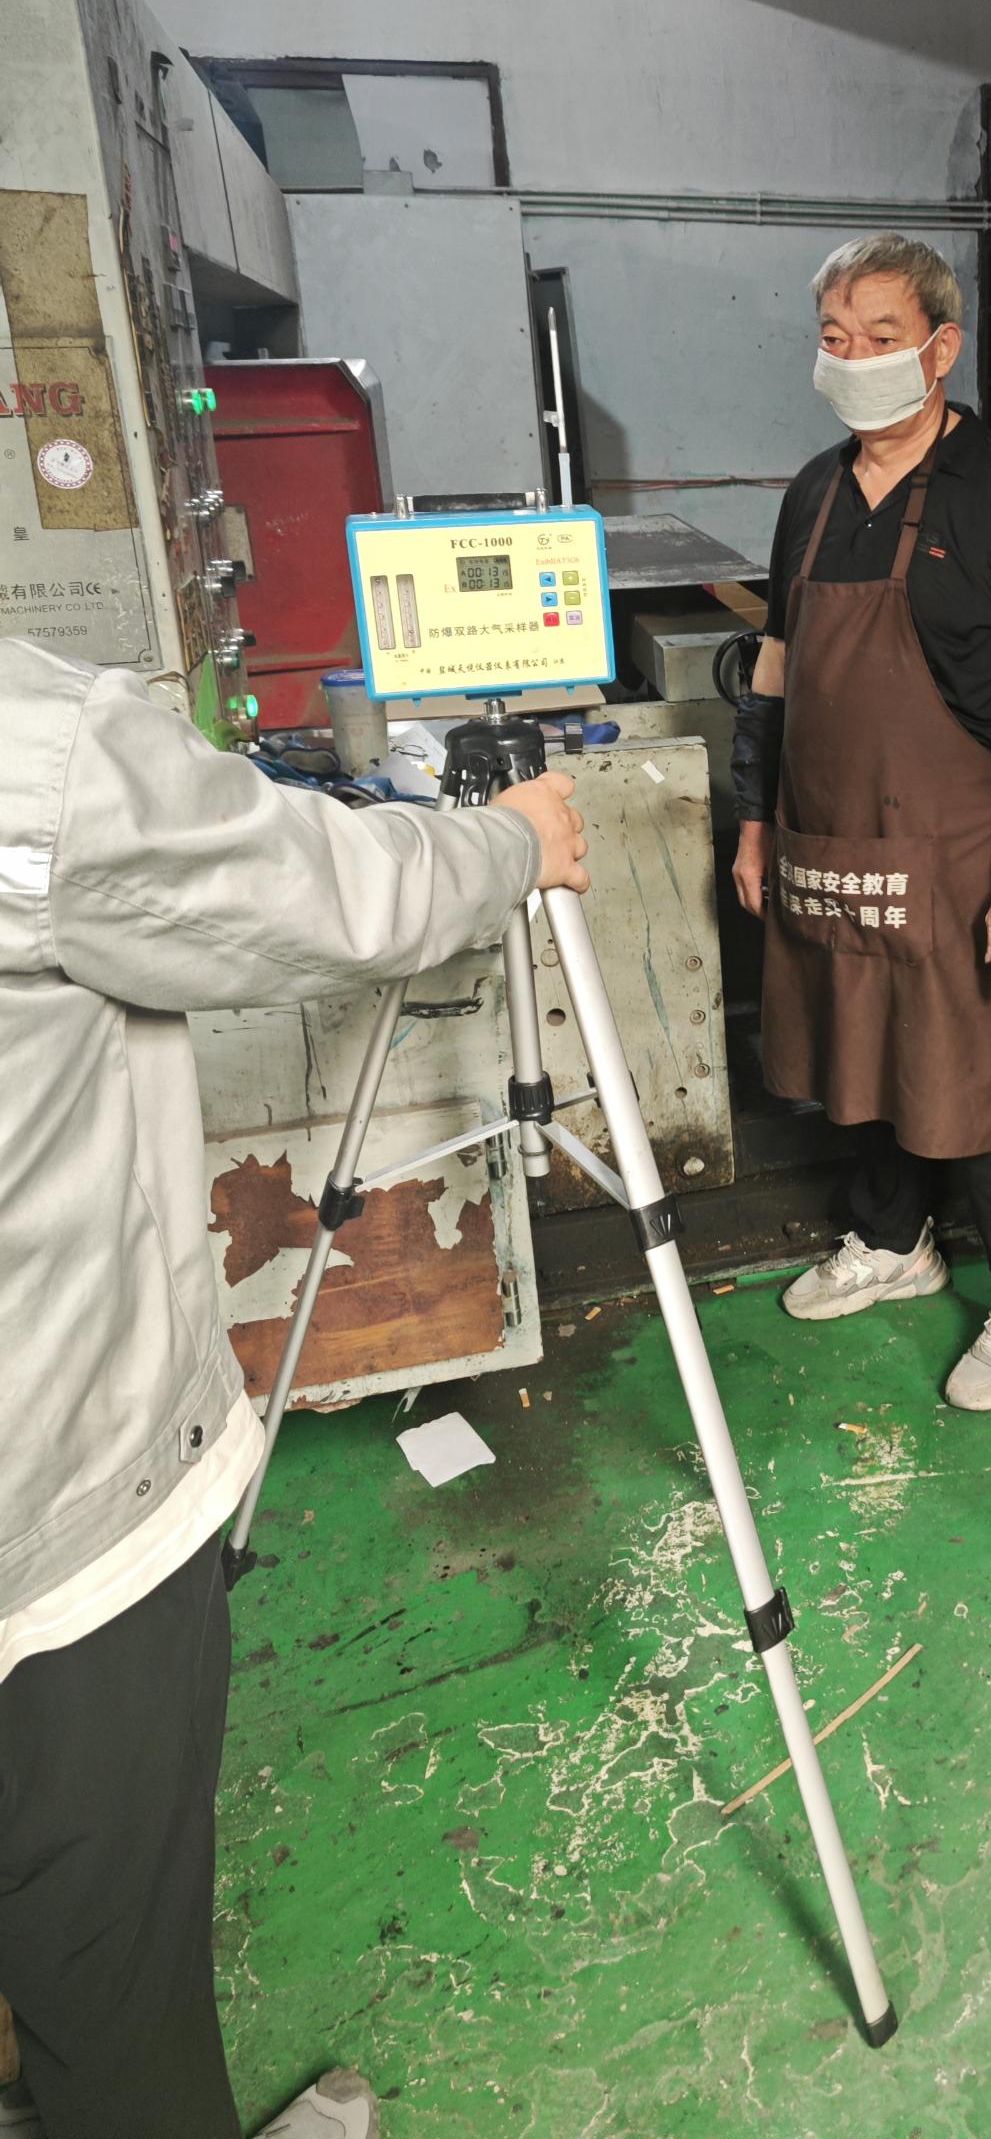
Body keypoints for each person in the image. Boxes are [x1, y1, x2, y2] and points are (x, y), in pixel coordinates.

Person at [0, 638, 589, 2139]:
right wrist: (514, 841)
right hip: (54, 1511)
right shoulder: (38, 748)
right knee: (109, 1979)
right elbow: (332, 896)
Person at [730, 234, 991, 1412]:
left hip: (960, 851)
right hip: (833, 843)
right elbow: (776, 673)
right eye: (835, 339)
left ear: (941, 348)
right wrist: (755, 822)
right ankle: (895, 1241)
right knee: (863, 1042)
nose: (854, 360)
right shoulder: (812, 495)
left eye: (880, 338)